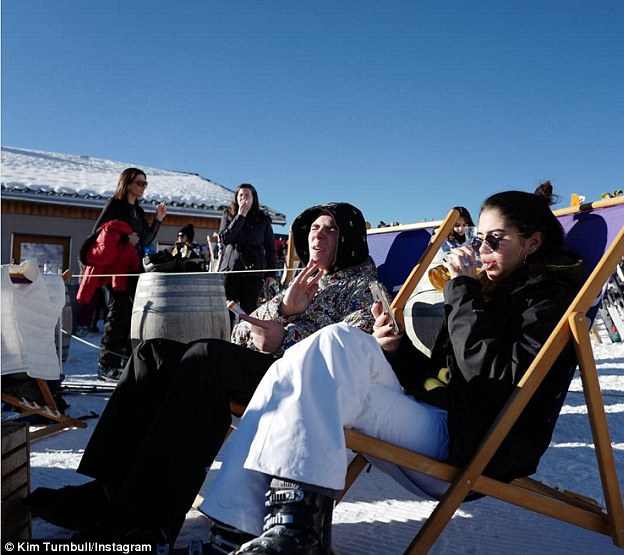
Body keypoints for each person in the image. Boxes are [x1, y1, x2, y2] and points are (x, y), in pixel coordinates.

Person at [197, 184, 584, 554]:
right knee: (321, 348)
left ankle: (295, 533)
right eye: (480, 238)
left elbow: (491, 381)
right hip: (436, 416)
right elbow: (444, 376)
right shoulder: (489, 290)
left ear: (532, 242)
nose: (481, 250)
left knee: (324, 352)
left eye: (495, 239)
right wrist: (397, 349)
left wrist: (464, 291)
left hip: (470, 442)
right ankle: (246, 531)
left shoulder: (550, 301)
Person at [28, 202, 385, 546]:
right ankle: (108, 490)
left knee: (205, 359)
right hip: (268, 365)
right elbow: (242, 331)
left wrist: (284, 335)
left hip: (301, 385)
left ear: (349, 239)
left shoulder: (364, 289)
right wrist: (284, 308)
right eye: (314, 228)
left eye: (331, 230)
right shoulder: (301, 278)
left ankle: (148, 517)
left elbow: (351, 353)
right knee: (153, 353)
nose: (317, 236)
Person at [87, 168, 167, 381]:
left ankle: (122, 361)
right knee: (117, 313)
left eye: (145, 184)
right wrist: (124, 240)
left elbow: (145, 240)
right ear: (127, 183)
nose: (143, 187)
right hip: (117, 269)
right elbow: (98, 235)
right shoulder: (115, 205)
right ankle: (106, 365)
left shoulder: (138, 211)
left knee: (131, 315)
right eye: (139, 183)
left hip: (134, 269)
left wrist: (158, 220)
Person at [219, 184, 277, 319]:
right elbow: (225, 239)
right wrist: (240, 217)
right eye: (241, 195)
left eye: (247, 195)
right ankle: (226, 338)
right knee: (228, 310)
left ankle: (246, 338)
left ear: (253, 198)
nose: (243, 198)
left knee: (249, 311)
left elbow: (270, 248)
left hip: (254, 272)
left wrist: (271, 273)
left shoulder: (262, 219)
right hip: (232, 270)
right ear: (236, 198)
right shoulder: (228, 214)